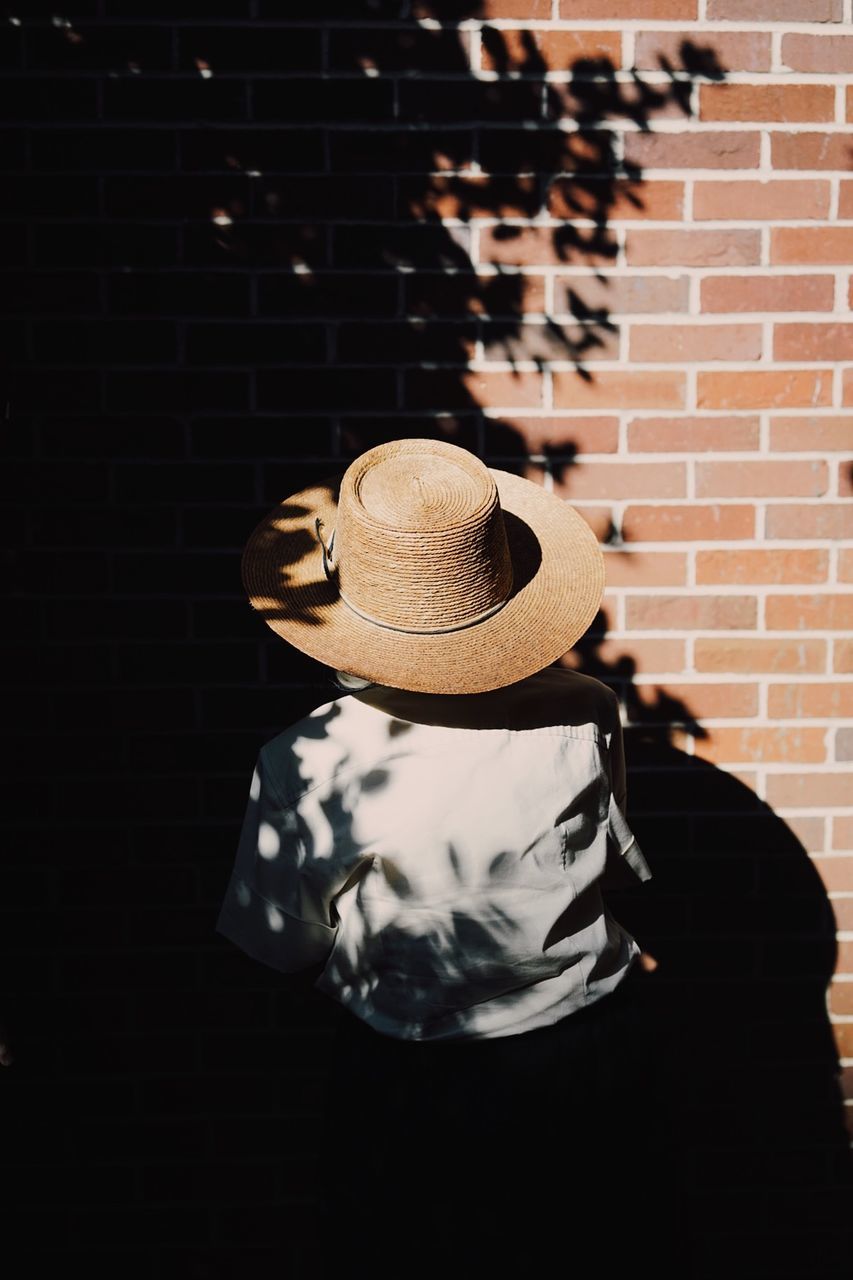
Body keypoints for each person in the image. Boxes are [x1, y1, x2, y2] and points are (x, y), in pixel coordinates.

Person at [216, 438, 681, 1275]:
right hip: (595, 1053)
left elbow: (281, 945)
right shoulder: (586, 707)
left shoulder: (306, 758)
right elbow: (609, 860)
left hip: (413, 1081)